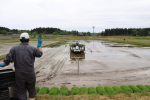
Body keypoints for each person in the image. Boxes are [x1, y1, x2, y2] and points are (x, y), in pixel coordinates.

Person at [0, 32, 43, 100]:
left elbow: (6, 62)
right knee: (31, 90)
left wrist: (2, 64)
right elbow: (40, 54)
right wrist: (39, 45)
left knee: (21, 91)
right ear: (28, 39)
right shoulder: (32, 48)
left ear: (20, 40)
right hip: (30, 73)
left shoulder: (14, 48)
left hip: (19, 75)